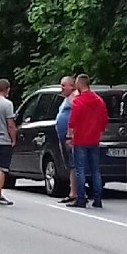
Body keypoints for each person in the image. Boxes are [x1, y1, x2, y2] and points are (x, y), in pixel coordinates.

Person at [66, 74, 108, 208]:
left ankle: (81, 199)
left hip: (80, 139)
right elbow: (104, 119)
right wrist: (99, 133)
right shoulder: (98, 100)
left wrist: (69, 136)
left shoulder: (78, 101)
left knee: (80, 170)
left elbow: (73, 121)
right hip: (94, 139)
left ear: (79, 85)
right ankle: (97, 199)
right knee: (95, 170)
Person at [55, 75, 79, 204]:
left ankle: (76, 193)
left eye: (64, 85)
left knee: (74, 164)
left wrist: (71, 135)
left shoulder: (75, 97)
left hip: (71, 138)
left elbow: (77, 115)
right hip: (64, 137)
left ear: (72, 85)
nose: (61, 88)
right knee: (70, 165)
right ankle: (72, 192)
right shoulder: (67, 99)